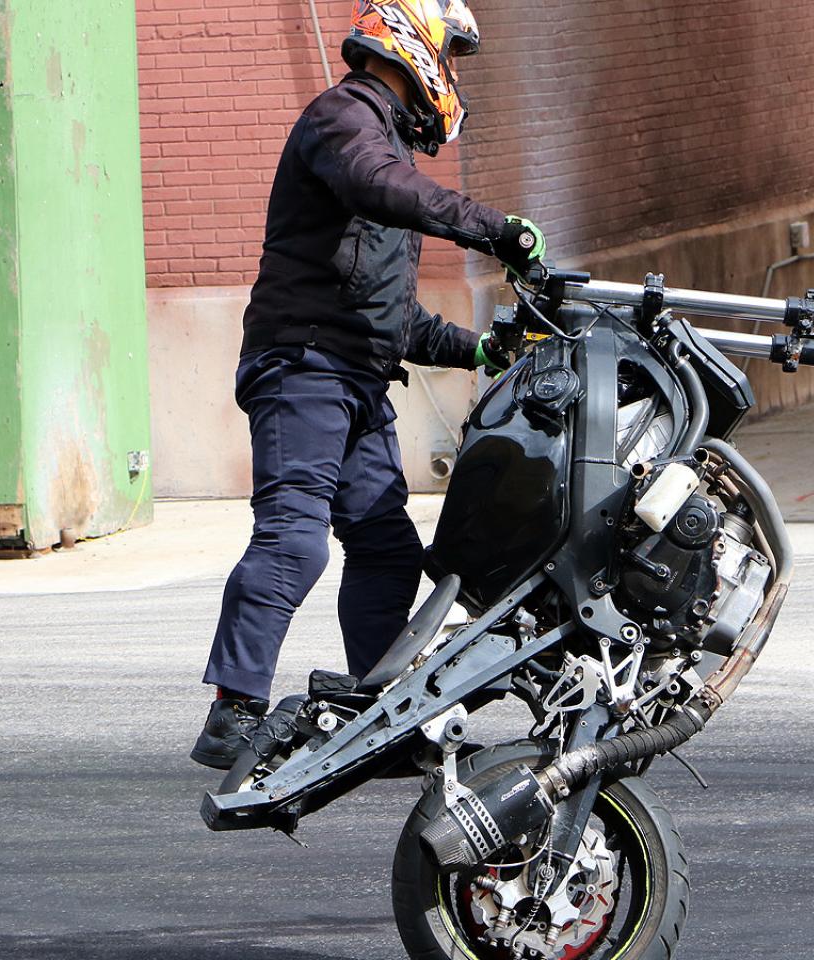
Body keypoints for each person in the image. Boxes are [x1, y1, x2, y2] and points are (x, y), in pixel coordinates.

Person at [193, 0, 546, 769]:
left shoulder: (386, 151)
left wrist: (481, 349)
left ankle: (376, 721)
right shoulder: (344, 118)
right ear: (413, 41)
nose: (448, 75)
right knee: (295, 539)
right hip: (304, 370)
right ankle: (233, 710)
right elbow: (375, 184)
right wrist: (498, 230)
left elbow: (392, 318)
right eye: (447, 54)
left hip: (353, 376)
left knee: (387, 547)